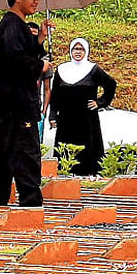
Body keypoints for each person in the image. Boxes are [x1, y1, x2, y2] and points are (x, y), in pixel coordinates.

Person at [0, 0, 52, 206]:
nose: (36, 1)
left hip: (8, 104)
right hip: (15, 105)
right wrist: (39, 66)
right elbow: (16, 59)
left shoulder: (17, 25)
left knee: (2, 158)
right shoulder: (12, 24)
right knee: (25, 156)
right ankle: (30, 205)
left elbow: (23, 50)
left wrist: (39, 38)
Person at [49, 38, 117, 176]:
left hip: (87, 119)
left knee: (88, 151)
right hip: (66, 119)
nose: (78, 52)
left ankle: (87, 179)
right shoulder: (62, 69)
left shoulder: (93, 69)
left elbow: (111, 84)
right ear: (70, 50)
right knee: (66, 151)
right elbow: (55, 94)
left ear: (86, 51)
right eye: (75, 49)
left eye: (81, 49)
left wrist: (100, 102)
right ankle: (66, 179)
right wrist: (52, 115)